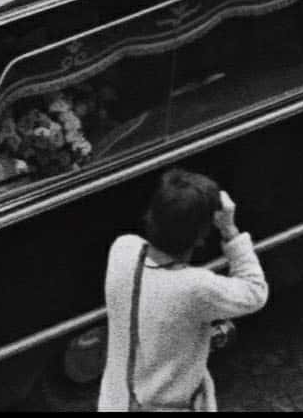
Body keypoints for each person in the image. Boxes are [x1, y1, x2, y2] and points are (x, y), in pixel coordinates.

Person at [94, 168, 267, 414]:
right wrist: (229, 230)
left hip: (116, 402)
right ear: (200, 238)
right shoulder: (194, 287)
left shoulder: (123, 249)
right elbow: (255, 292)